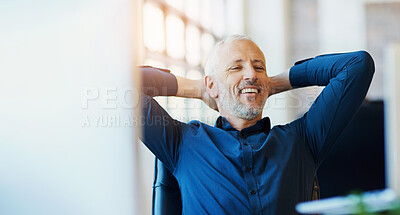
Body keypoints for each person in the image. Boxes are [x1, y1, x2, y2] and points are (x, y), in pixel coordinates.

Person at [140, 35, 374, 214]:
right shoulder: (183, 144)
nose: (251, 74)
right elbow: (121, 81)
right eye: (236, 67)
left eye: (259, 67)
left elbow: (357, 66)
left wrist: (276, 83)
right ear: (212, 85)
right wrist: (197, 89)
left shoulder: (303, 140)